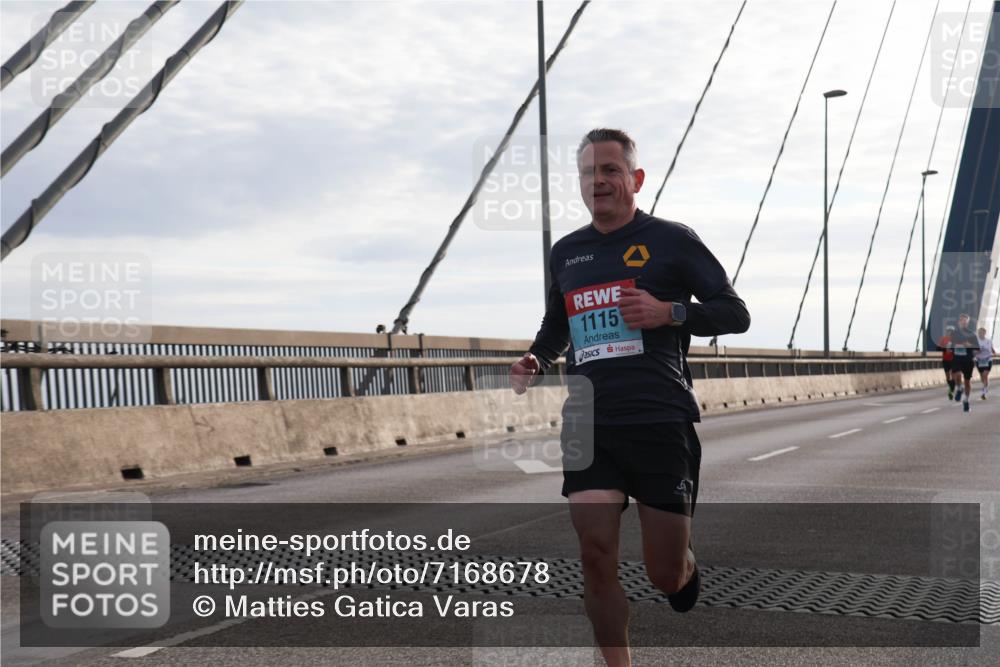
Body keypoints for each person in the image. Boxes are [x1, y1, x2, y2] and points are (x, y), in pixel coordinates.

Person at [509, 128, 750, 667]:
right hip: (590, 422)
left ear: (635, 179)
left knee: (662, 571)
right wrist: (537, 358)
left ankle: (683, 570)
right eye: (589, 173)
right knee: (595, 556)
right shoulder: (567, 253)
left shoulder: (672, 241)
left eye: (610, 170)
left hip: (660, 419)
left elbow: (735, 312)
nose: (599, 181)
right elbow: (558, 322)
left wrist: (672, 312)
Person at [949, 313, 979, 413]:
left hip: (967, 360)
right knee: (956, 375)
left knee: (967, 381)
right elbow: (951, 345)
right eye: (961, 321)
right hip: (957, 358)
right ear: (959, 322)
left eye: (965, 321)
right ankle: (959, 388)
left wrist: (969, 345)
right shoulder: (954, 333)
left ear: (967, 323)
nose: (963, 323)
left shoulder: (972, 334)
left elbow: (977, 349)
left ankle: (966, 400)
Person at [936, 326, 956, 399]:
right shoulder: (943, 339)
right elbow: (937, 348)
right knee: (947, 376)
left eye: (951, 331)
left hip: (954, 360)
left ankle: (951, 391)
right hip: (945, 360)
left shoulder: (955, 339)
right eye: (948, 331)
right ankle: (951, 388)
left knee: (953, 375)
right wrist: (944, 349)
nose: (949, 332)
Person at [976, 326, 995, 400]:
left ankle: (983, 392)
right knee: (982, 377)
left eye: (982, 333)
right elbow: (973, 351)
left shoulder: (989, 341)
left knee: (985, 375)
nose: (981, 334)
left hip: (988, 360)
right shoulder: (976, 342)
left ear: (985, 333)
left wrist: (993, 352)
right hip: (979, 360)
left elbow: (992, 349)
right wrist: (978, 351)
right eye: (979, 333)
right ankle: (985, 387)